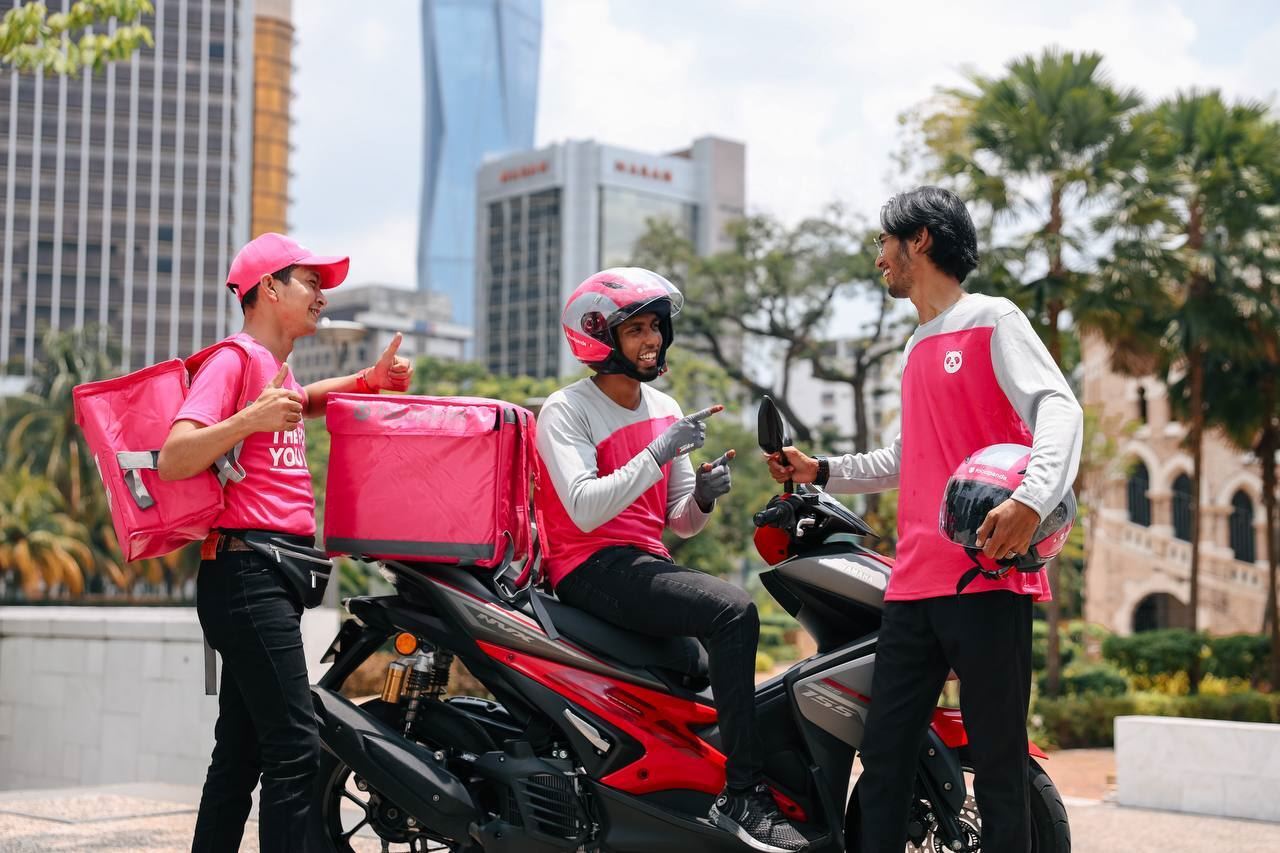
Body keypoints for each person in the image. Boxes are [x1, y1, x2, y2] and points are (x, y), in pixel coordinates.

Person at [766, 187, 1082, 853]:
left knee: (998, 769)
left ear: (922, 240)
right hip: (912, 586)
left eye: (886, 240)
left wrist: (1031, 497)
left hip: (987, 580)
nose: (878, 256)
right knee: (883, 763)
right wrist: (818, 470)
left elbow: (1059, 404)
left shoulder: (993, 319)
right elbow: (907, 458)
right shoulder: (915, 345)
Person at [536, 267, 808, 853]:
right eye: (636, 328)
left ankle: (678, 804)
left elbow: (678, 522)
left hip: (642, 561)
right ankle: (742, 796)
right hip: (589, 565)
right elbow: (584, 508)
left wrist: (703, 494)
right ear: (598, 336)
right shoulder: (566, 410)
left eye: (656, 327)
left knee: (700, 671)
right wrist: (659, 451)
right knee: (734, 612)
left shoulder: (663, 405)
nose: (652, 340)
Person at [156, 233, 413, 853]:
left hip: (262, 577)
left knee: (241, 755)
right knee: (295, 747)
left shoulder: (273, 368)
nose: (321, 296)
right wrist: (249, 420)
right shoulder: (235, 360)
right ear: (269, 289)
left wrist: (368, 381)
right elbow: (173, 457)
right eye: (310, 282)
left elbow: (301, 402)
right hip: (248, 575)